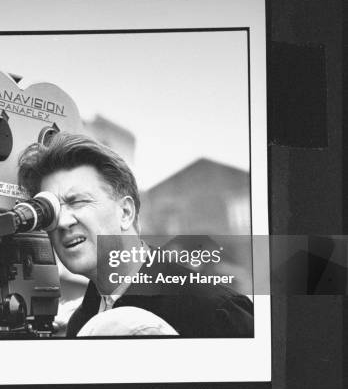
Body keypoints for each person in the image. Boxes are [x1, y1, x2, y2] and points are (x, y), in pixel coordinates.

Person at [18, 132, 254, 337]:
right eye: (52, 210)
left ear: (126, 212)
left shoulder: (214, 311)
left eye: (77, 201)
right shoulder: (81, 323)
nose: (62, 221)